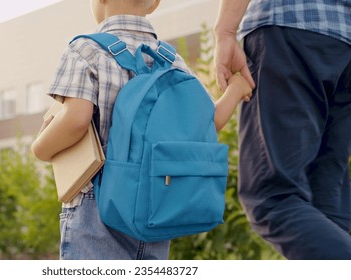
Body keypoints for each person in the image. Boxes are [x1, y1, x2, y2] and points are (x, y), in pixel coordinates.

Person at [32, 0, 252, 260]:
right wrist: (235, 89)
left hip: (98, 206)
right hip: (158, 201)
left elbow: (76, 120)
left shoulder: (85, 50)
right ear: (155, 4)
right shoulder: (172, 60)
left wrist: (40, 148)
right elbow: (207, 122)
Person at [213, 0, 351, 259]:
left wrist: (225, 32)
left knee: (271, 197)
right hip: (345, 43)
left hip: (289, 26)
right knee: (326, 198)